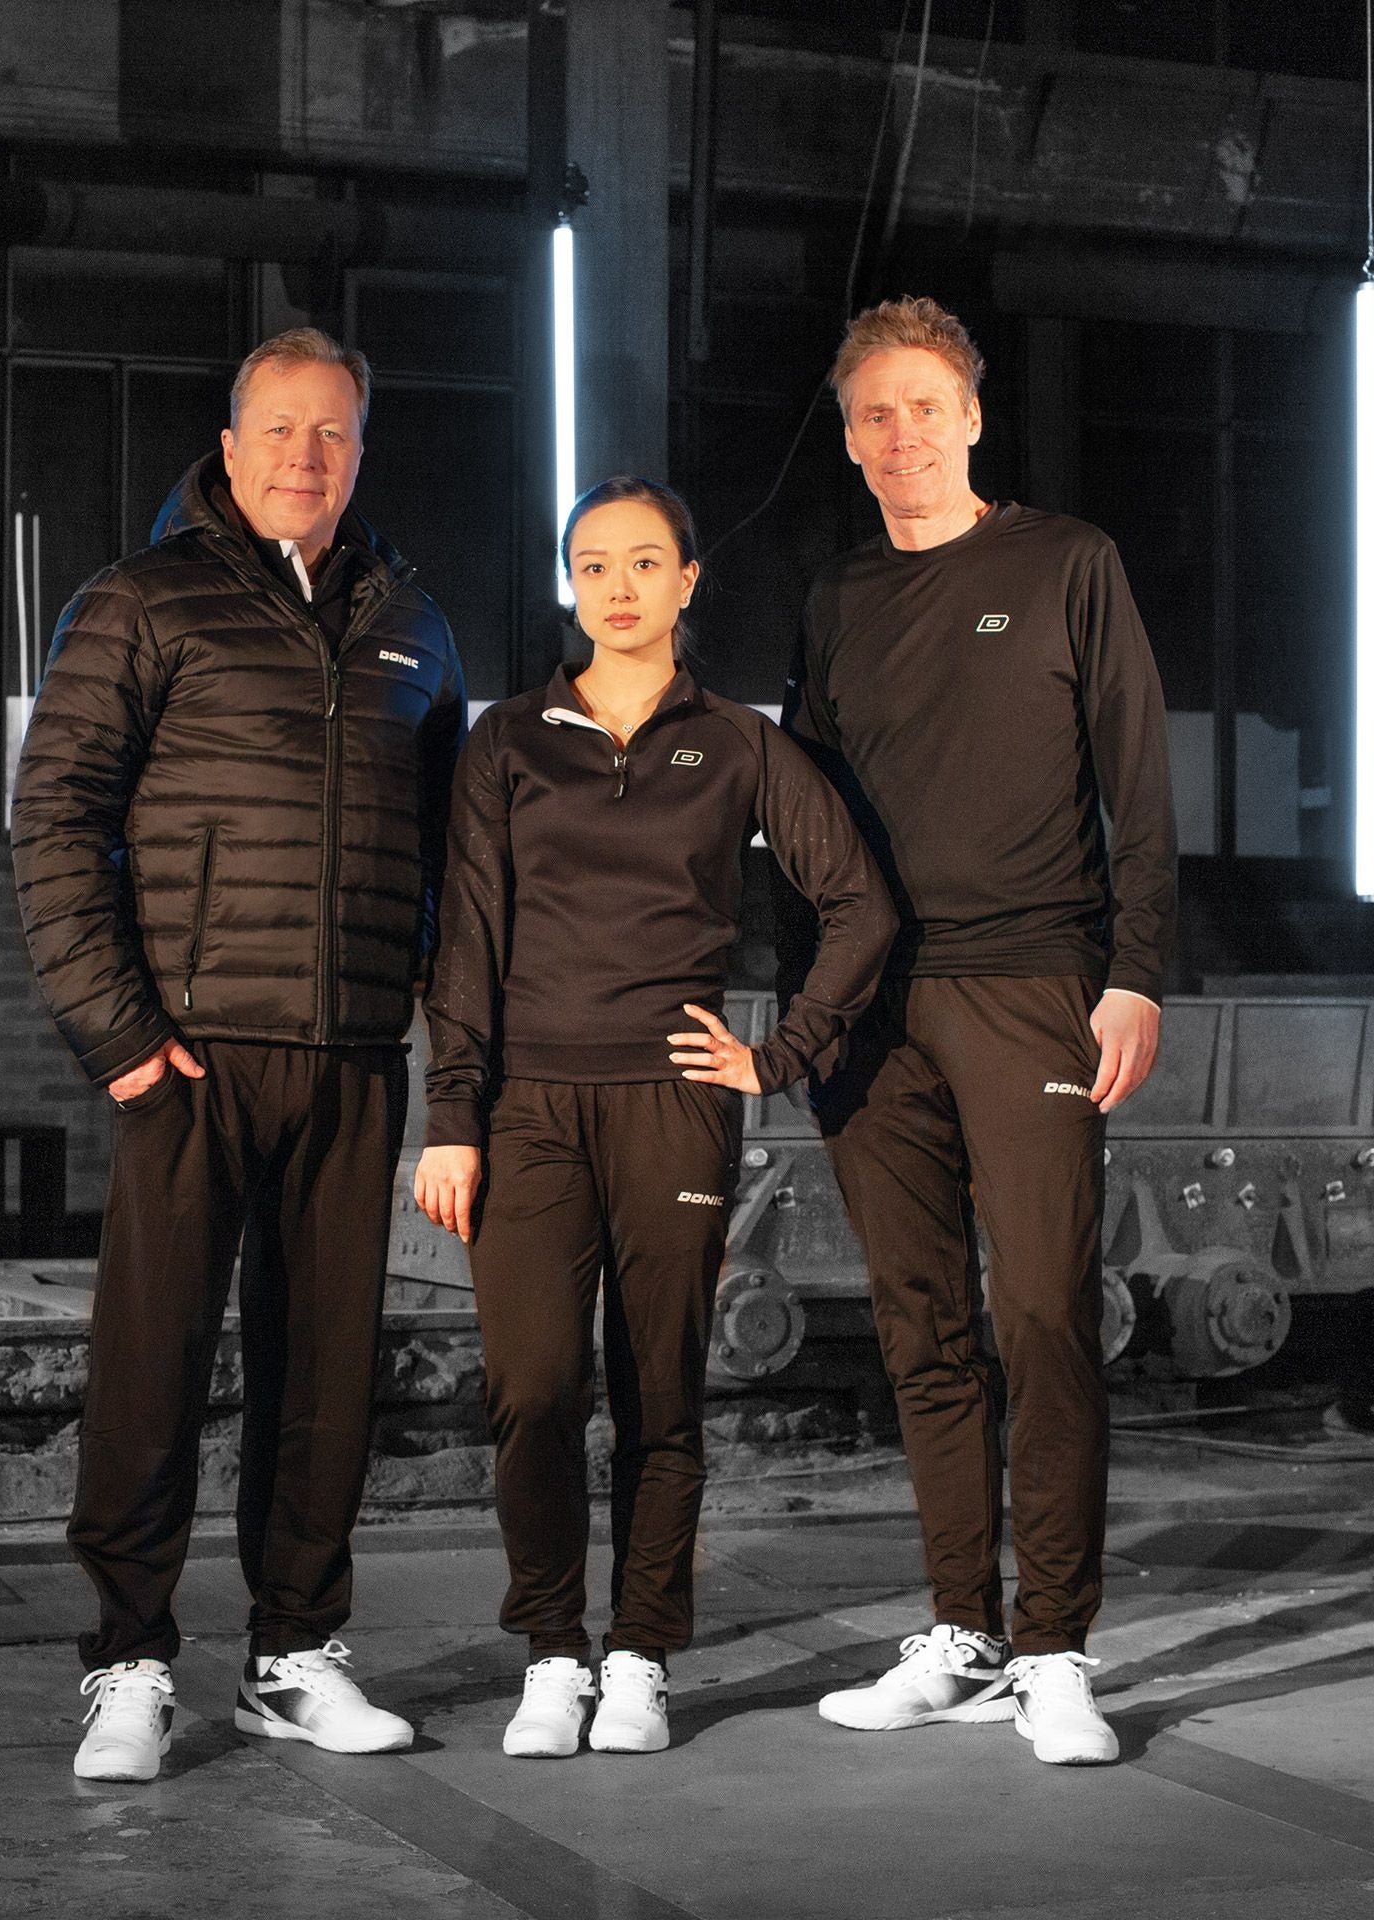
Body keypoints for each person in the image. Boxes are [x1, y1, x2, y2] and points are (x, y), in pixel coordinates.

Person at [12, 327, 467, 1782]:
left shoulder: (416, 626)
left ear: (360, 452)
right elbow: (55, 820)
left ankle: (294, 1656)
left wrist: (410, 1010)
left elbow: (452, 856)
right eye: (278, 428)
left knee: (326, 1375)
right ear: (228, 445)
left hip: (350, 1057)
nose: (302, 456)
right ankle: (130, 1662)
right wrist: (122, 1034)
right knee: (151, 1365)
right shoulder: (141, 602)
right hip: (190, 1056)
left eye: (330, 432)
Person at [414, 476, 895, 1759]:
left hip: (674, 1105)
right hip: (526, 1106)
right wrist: (451, 1114)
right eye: (593, 563)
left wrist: (779, 1054)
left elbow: (860, 904)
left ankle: (640, 1655)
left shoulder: (737, 743)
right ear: (569, 585)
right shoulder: (508, 741)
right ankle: (551, 1651)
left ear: (687, 582)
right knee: (531, 1389)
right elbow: (466, 938)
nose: (617, 586)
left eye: (643, 562)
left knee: (661, 1392)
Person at [780, 297, 1177, 1767]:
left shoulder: (1066, 563)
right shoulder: (836, 599)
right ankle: (963, 1632)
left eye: (924, 407)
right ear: (849, 438)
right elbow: (801, 816)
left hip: (1032, 986)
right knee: (922, 1326)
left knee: (1045, 1316)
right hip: (871, 1011)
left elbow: (1139, 777)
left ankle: (1055, 1649)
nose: (901, 435)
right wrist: (807, 1011)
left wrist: (1136, 971)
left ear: (973, 419)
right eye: (873, 414)